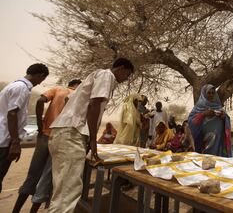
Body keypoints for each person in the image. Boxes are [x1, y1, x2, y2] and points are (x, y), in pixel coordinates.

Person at [47, 58, 134, 213]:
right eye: (127, 75)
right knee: (66, 194)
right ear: (121, 68)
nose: (126, 79)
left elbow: (71, 100)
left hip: (68, 132)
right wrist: (93, 140)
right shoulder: (107, 76)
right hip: (71, 132)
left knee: (63, 191)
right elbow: (94, 105)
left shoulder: (96, 77)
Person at [13, 79, 81, 213]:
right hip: (61, 138)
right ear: (77, 85)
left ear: (69, 83)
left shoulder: (57, 90)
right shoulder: (78, 94)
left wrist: (40, 125)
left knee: (33, 174)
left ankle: (15, 210)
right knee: (47, 177)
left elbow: (39, 101)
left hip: (45, 135)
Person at [0, 63, 49, 193]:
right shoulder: (21, 88)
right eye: (42, 79)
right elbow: (12, 113)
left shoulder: (14, 86)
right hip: (4, 141)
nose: (40, 83)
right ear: (40, 75)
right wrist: (15, 142)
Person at [188, 84, 232, 157]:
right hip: (204, 139)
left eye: (213, 93)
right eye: (209, 93)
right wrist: (203, 114)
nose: (211, 95)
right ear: (204, 94)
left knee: (218, 159)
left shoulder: (218, 106)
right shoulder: (198, 107)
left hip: (218, 140)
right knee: (206, 158)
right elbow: (191, 120)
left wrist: (224, 117)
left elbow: (226, 119)